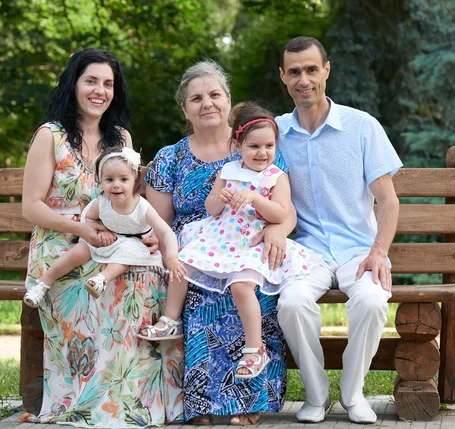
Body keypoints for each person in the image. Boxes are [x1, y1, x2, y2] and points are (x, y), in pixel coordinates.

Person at [19, 48, 183, 427]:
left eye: (108, 84)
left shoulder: (120, 137)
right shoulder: (51, 136)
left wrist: (147, 235)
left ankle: (142, 401)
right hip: (63, 247)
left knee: (150, 285)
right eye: (91, 81)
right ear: (73, 84)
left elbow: (132, 199)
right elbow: (31, 207)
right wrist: (82, 229)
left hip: (115, 245)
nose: (99, 90)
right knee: (93, 289)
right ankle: (98, 404)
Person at [145, 62, 287, 425]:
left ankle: (251, 403)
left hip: (250, 243)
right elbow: (159, 221)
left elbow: (287, 210)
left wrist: (275, 230)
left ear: (228, 101)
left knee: (249, 289)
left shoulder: (256, 144)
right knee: (198, 292)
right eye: (196, 98)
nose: (206, 103)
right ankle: (200, 404)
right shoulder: (170, 157)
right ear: (185, 109)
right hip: (195, 249)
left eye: (214, 94)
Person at [139, 103, 321, 381]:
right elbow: (212, 207)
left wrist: (258, 199)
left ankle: (254, 348)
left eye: (269, 146)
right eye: (254, 147)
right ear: (238, 145)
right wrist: (219, 199)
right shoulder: (229, 170)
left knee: (241, 286)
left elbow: (281, 213)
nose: (262, 153)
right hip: (222, 236)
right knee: (184, 263)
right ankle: (170, 320)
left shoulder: (275, 176)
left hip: (252, 241)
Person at [273, 37, 402, 424]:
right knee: (292, 303)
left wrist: (378, 253)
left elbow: (389, 201)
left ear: (326, 71)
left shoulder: (362, 126)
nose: (304, 79)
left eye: (312, 69)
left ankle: (353, 391)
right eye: (294, 71)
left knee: (372, 301)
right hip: (306, 251)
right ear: (283, 77)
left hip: (359, 249)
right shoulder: (275, 133)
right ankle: (316, 395)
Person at [23, 147, 187, 310]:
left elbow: (166, 232)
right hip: (108, 239)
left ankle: (101, 279)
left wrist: (172, 256)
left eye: (123, 180)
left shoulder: (142, 208)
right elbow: (88, 218)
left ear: (135, 181)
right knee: (79, 251)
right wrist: (101, 230)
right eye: (109, 180)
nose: (116, 185)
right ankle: (43, 284)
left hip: (134, 242)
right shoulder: (101, 203)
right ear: (100, 182)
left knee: (126, 253)